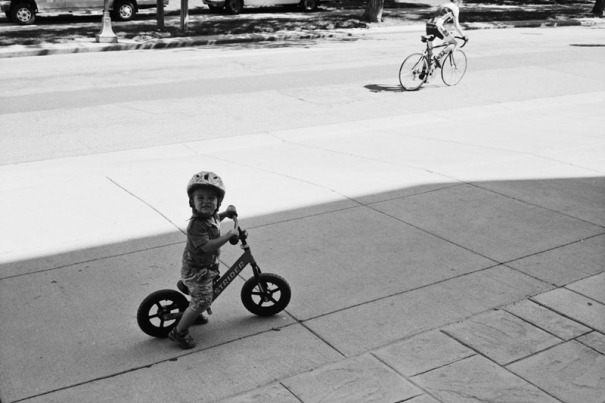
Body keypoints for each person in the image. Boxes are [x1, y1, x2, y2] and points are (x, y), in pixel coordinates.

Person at [169, 171, 238, 349]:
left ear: (218, 202)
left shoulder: (210, 215)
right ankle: (180, 331)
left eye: (211, 198)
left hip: (206, 266)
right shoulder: (195, 225)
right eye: (200, 197)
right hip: (196, 271)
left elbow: (216, 218)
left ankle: (193, 310)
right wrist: (229, 235)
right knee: (203, 301)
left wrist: (227, 214)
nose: (206, 201)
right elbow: (207, 246)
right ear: (192, 201)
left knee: (209, 286)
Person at [426, 0, 468, 68]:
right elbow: (456, 25)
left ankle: (424, 71)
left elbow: (440, 18)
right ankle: (439, 57)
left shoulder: (444, 4)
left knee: (430, 50)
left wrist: (447, 32)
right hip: (437, 26)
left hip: (429, 25)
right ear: (458, 1)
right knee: (454, 43)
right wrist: (464, 35)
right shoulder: (455, 8)